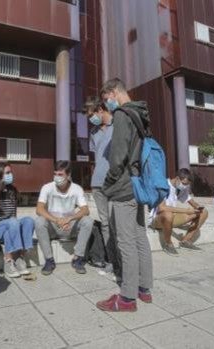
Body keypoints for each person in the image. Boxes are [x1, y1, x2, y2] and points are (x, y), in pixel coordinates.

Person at [95, 78, 153, 312]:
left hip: (123, 186)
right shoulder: (141, 114)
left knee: (125, 241)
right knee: (140, 236)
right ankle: (144, 288)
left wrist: (108, 183)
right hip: (138, 183)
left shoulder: (121, 115)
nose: (106, 104)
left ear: (113, 93)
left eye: (106, 99)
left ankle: (127, 298)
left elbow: (118, 156)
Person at [84, 97, 121, 280]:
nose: (91, 118)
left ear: (100, 109)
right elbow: (95, 157)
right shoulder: (93, 132)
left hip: (115, 182)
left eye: (92, 114)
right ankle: (112, 262)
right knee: (105, 224)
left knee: (117, 224)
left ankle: (122, 263)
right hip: (97, 184)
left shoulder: (118, 125)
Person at [35, 161, 94, 275]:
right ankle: (49, 260)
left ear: (68, 175)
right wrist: (57, 220)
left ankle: (78, 258)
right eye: (55, 174)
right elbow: (39, 209)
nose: (57, 177)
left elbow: (85, 210)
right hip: (53, 226)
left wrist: (69, 219)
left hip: (69, 227)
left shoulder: (76, 189)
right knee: (39, 221)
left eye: (60, 174)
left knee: (88, 221)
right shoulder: (47, 187)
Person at [0, 162, 34, 278]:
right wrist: (4, 221)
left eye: (11, 172)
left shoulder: (12, 191)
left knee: (28, 220)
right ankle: (9, 260)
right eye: (7, 173)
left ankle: (20, 257)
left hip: (9, 226)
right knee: (12, 222)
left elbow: (13, 214)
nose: (11, 175)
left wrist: (11, 223)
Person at [150, 168, 208, 256]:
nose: (184, 186)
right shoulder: (163, 185)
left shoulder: (179, 188)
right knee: (168, 214)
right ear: (177, 178)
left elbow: (191, 201)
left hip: (172, 218)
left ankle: (186, 241)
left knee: (204, 212)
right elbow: (162, 208)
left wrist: (197, 207)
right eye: (184, 183)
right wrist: (186, 211)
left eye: (187, 185)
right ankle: (168, 244)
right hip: (158, 219)